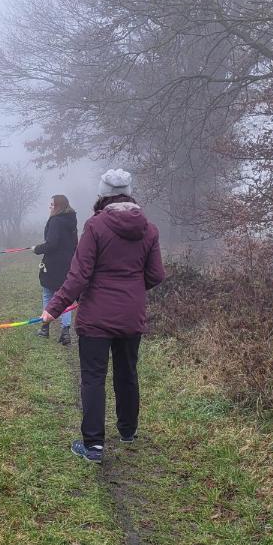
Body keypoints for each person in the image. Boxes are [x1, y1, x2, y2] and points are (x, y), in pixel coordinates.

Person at [42, 169, 166, 463]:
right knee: (127, 373)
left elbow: (78, 276)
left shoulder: (95, 227)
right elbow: (156, 275)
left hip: (96, 318)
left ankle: (94, 446)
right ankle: (127, 431)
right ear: (129, 193)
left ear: (103, 195)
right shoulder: (149, 229)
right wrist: (133, 289)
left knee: (94, 378)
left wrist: (53, 308)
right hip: (131, 316)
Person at [34, 194, 79, 345]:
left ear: (58, 206)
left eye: (52, 205)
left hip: (53, 265)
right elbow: (74, 244)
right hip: (68, 265)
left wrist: (37, 249)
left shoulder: (55, 221)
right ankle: (65, 332)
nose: (50, 207)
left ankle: (45, 328)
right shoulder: (71, 220)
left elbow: (52, 244)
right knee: (65, 297)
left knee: (48, 294)